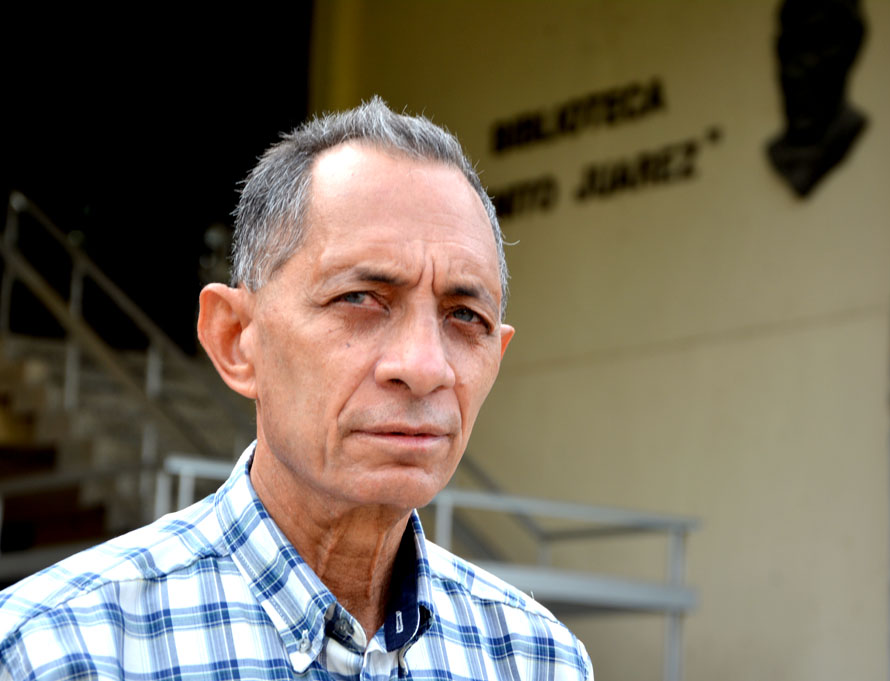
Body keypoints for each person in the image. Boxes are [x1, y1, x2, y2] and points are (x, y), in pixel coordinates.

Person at [0, 97, 593, 680]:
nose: (424, 366)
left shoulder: (538, 659)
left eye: (466, 316)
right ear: (236, 339)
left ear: (498, 353)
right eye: (359, 299)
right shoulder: (58, 651)